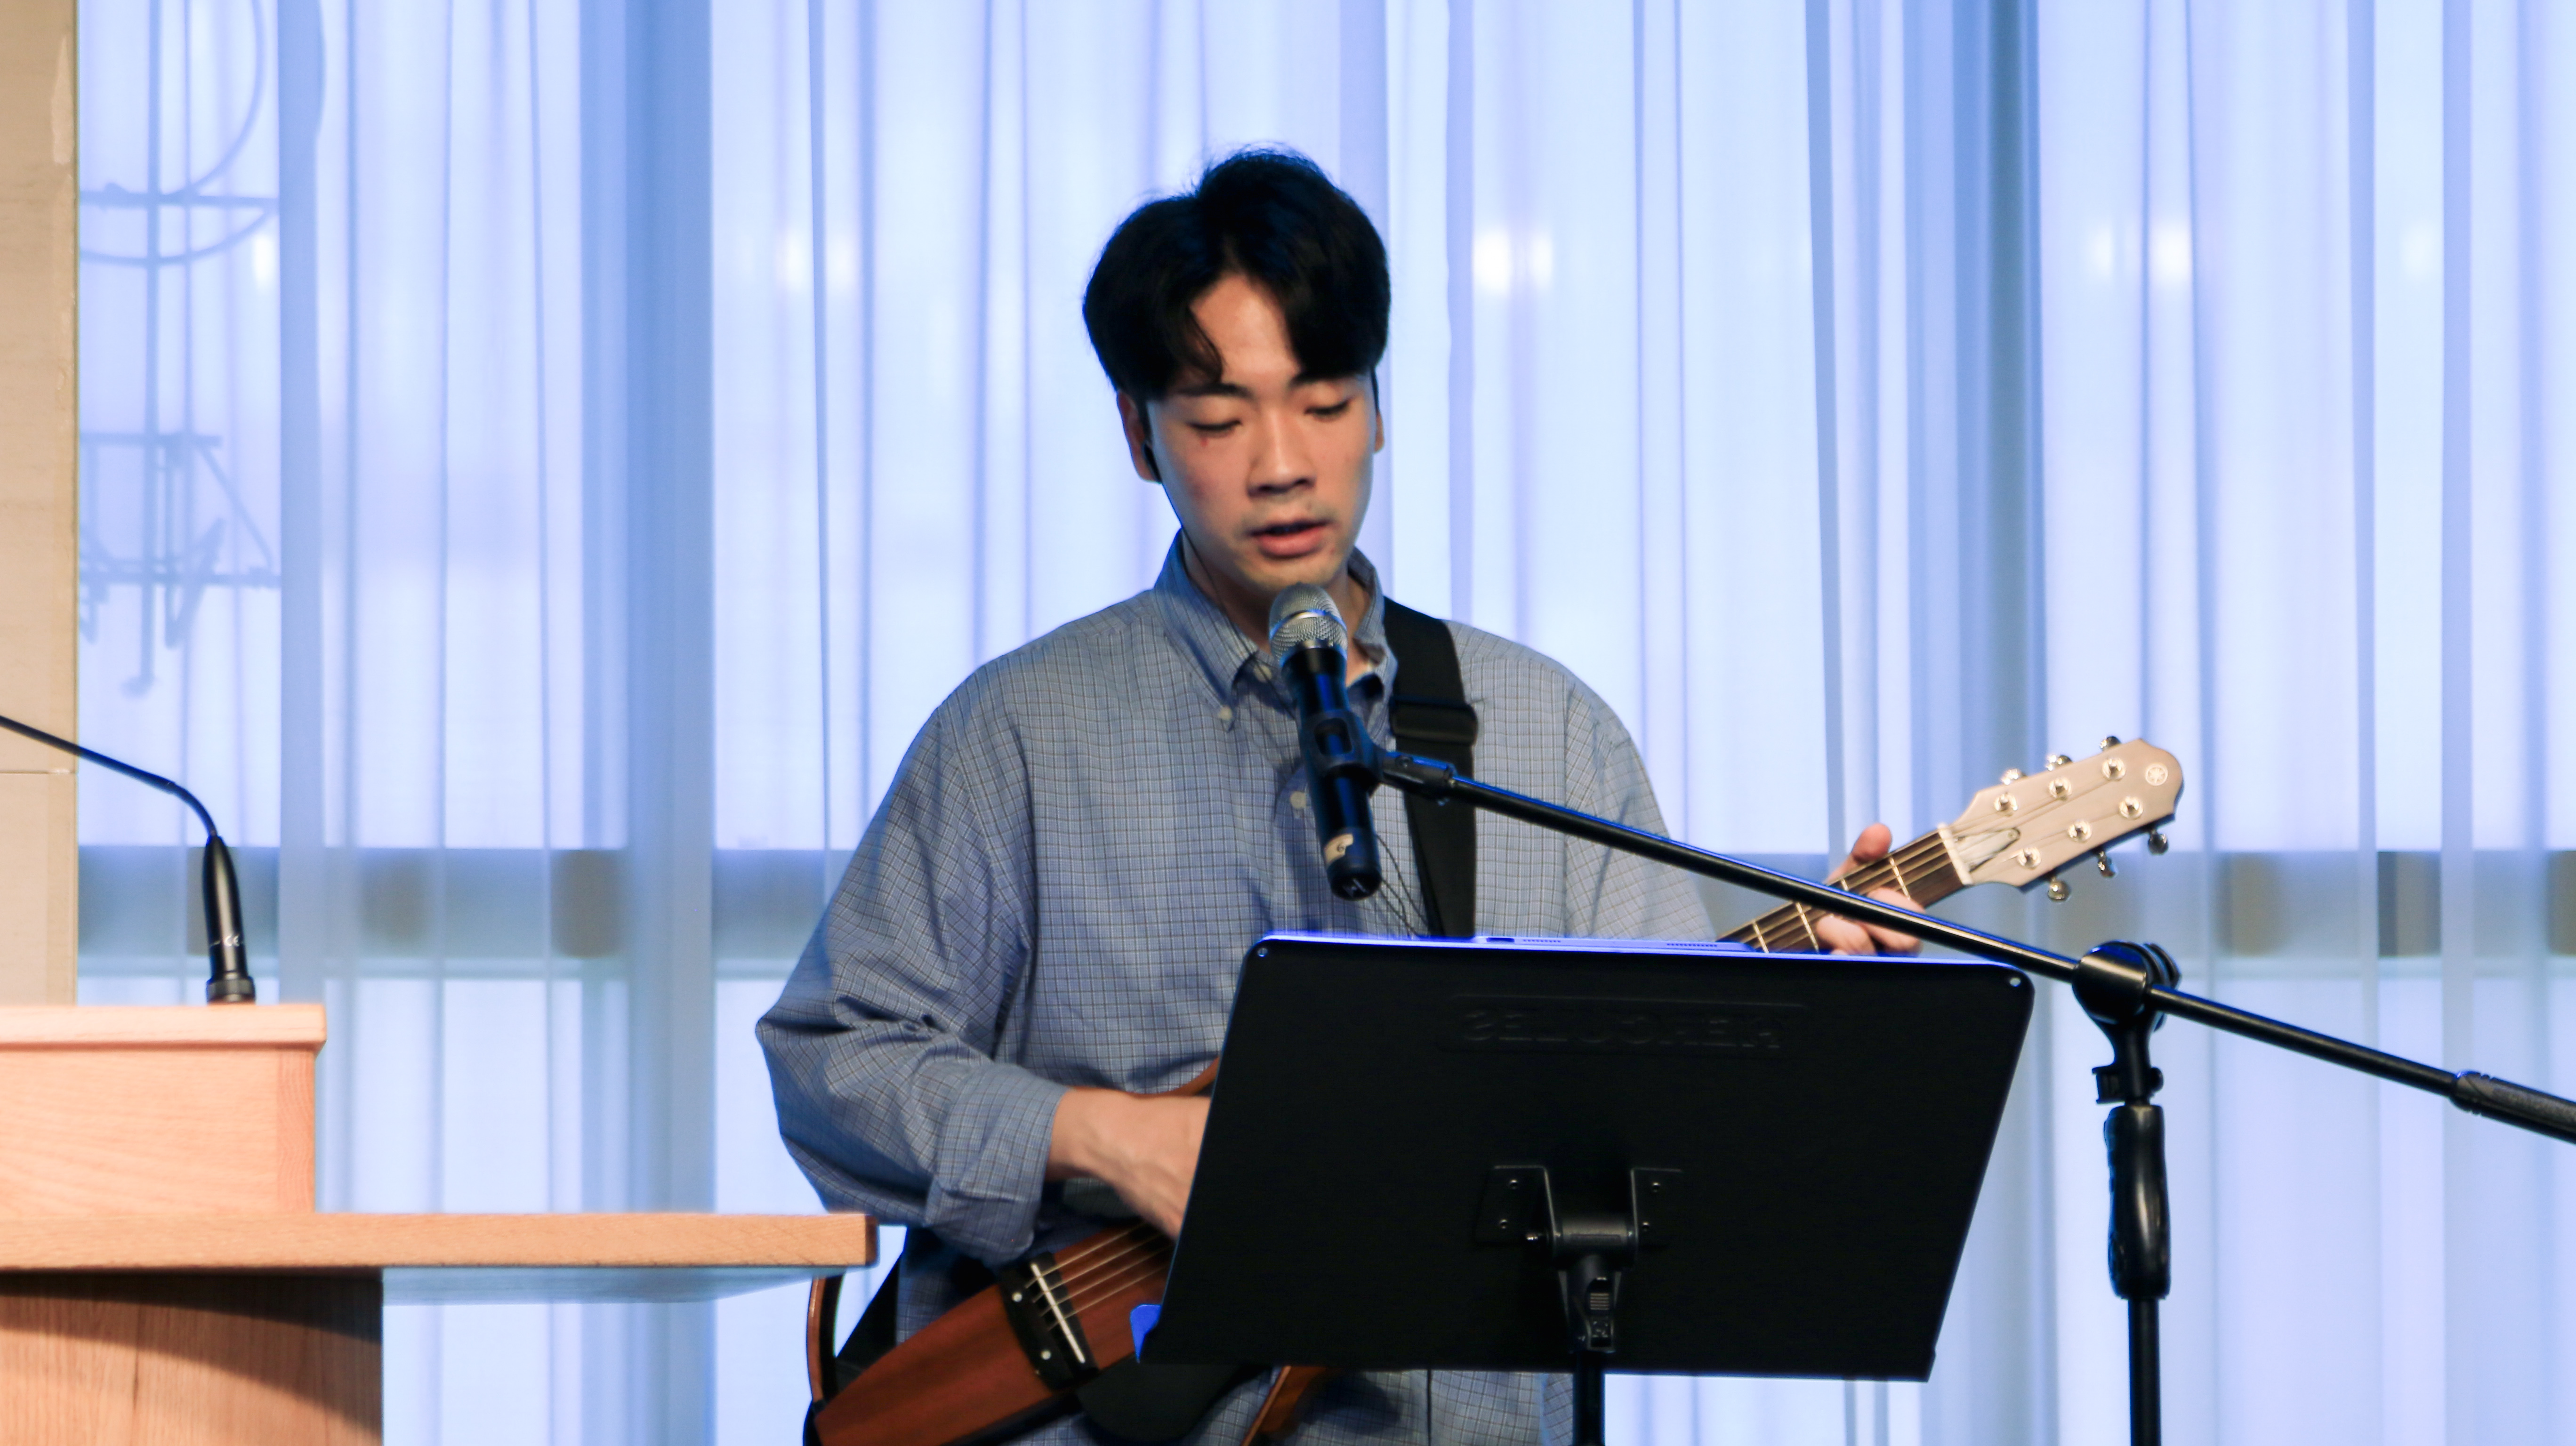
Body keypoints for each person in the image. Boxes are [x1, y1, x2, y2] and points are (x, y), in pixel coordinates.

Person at [759, 147, 1919, 1446]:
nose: (1281, 465)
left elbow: (1661, 1120)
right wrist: (1105, 1139)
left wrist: (1811, 1014)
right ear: (1140, 436)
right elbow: (830, 1058)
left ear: (1377, 409)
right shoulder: (1017, 734)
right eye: (1218, 421)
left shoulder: (1549, 733)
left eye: (1323, 403)